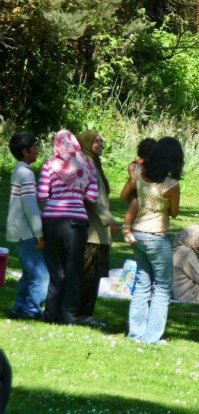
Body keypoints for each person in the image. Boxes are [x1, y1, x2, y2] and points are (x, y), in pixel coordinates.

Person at [121, 137, 183, 345]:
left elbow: (128, 197)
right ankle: (152, 336)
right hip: (158, 235)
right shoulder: (171, 185)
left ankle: (136, 333)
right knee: (163, 287)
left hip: (138, 233)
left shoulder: (138, 175)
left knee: (142, 283)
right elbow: (174, 213)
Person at [38, 129, 99, 324]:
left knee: (55, 271)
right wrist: (77, 194)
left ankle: (50, 315)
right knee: (74, 270)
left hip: (52, 221)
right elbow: (92, 197)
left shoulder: (49, 164)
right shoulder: (88, 165)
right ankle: (69, 316)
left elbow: (41, 196)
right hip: (77, 222)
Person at [76, 130, 119, 328]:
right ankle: (81, 314)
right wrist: (109, 219)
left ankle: (84, 312)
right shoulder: (86, 163)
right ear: (87, 142)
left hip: (97, 226)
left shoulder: (93, 162)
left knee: (92, 274)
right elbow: (90, 197)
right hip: (92, 227)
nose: (101, 144)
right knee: (88, 273)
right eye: (97, 141)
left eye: (102, 141)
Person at [6, 132, 49, 321]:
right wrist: (40, 234)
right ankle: (31, 310)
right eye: (35, 146)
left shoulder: (19, 169)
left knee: (28, 272)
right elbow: (30, 206)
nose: (38, 150)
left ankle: (19, 308)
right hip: (26, 231)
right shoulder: (26, 173)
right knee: (41, 275)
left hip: (17, 229)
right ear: (25, 151)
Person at [122, 137, 156, 244]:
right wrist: (133, 176)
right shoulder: (137, 164)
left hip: (147, 192)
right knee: (134, 205)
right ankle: (126, 230)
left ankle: (135, 228)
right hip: (136, 191)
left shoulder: (155, 165)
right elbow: (132, 173)